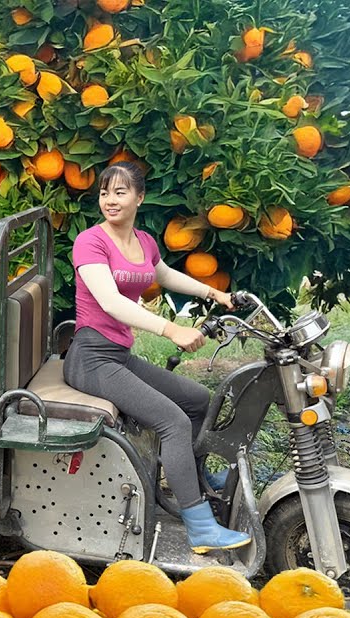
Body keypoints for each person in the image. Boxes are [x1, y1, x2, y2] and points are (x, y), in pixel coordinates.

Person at [64, 161, 251, 554]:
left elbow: (164, 276)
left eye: (120, 192)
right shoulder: (90, 242)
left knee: (199, 401)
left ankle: (193, 481)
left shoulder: (144, 242)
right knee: (173, 422)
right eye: (104, 193)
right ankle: (200, 528)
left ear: (139, 197)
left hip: (118, 355)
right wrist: (171, 329)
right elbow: (111, 302)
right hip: (92, 359)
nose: (110, 200)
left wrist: (214, 295)